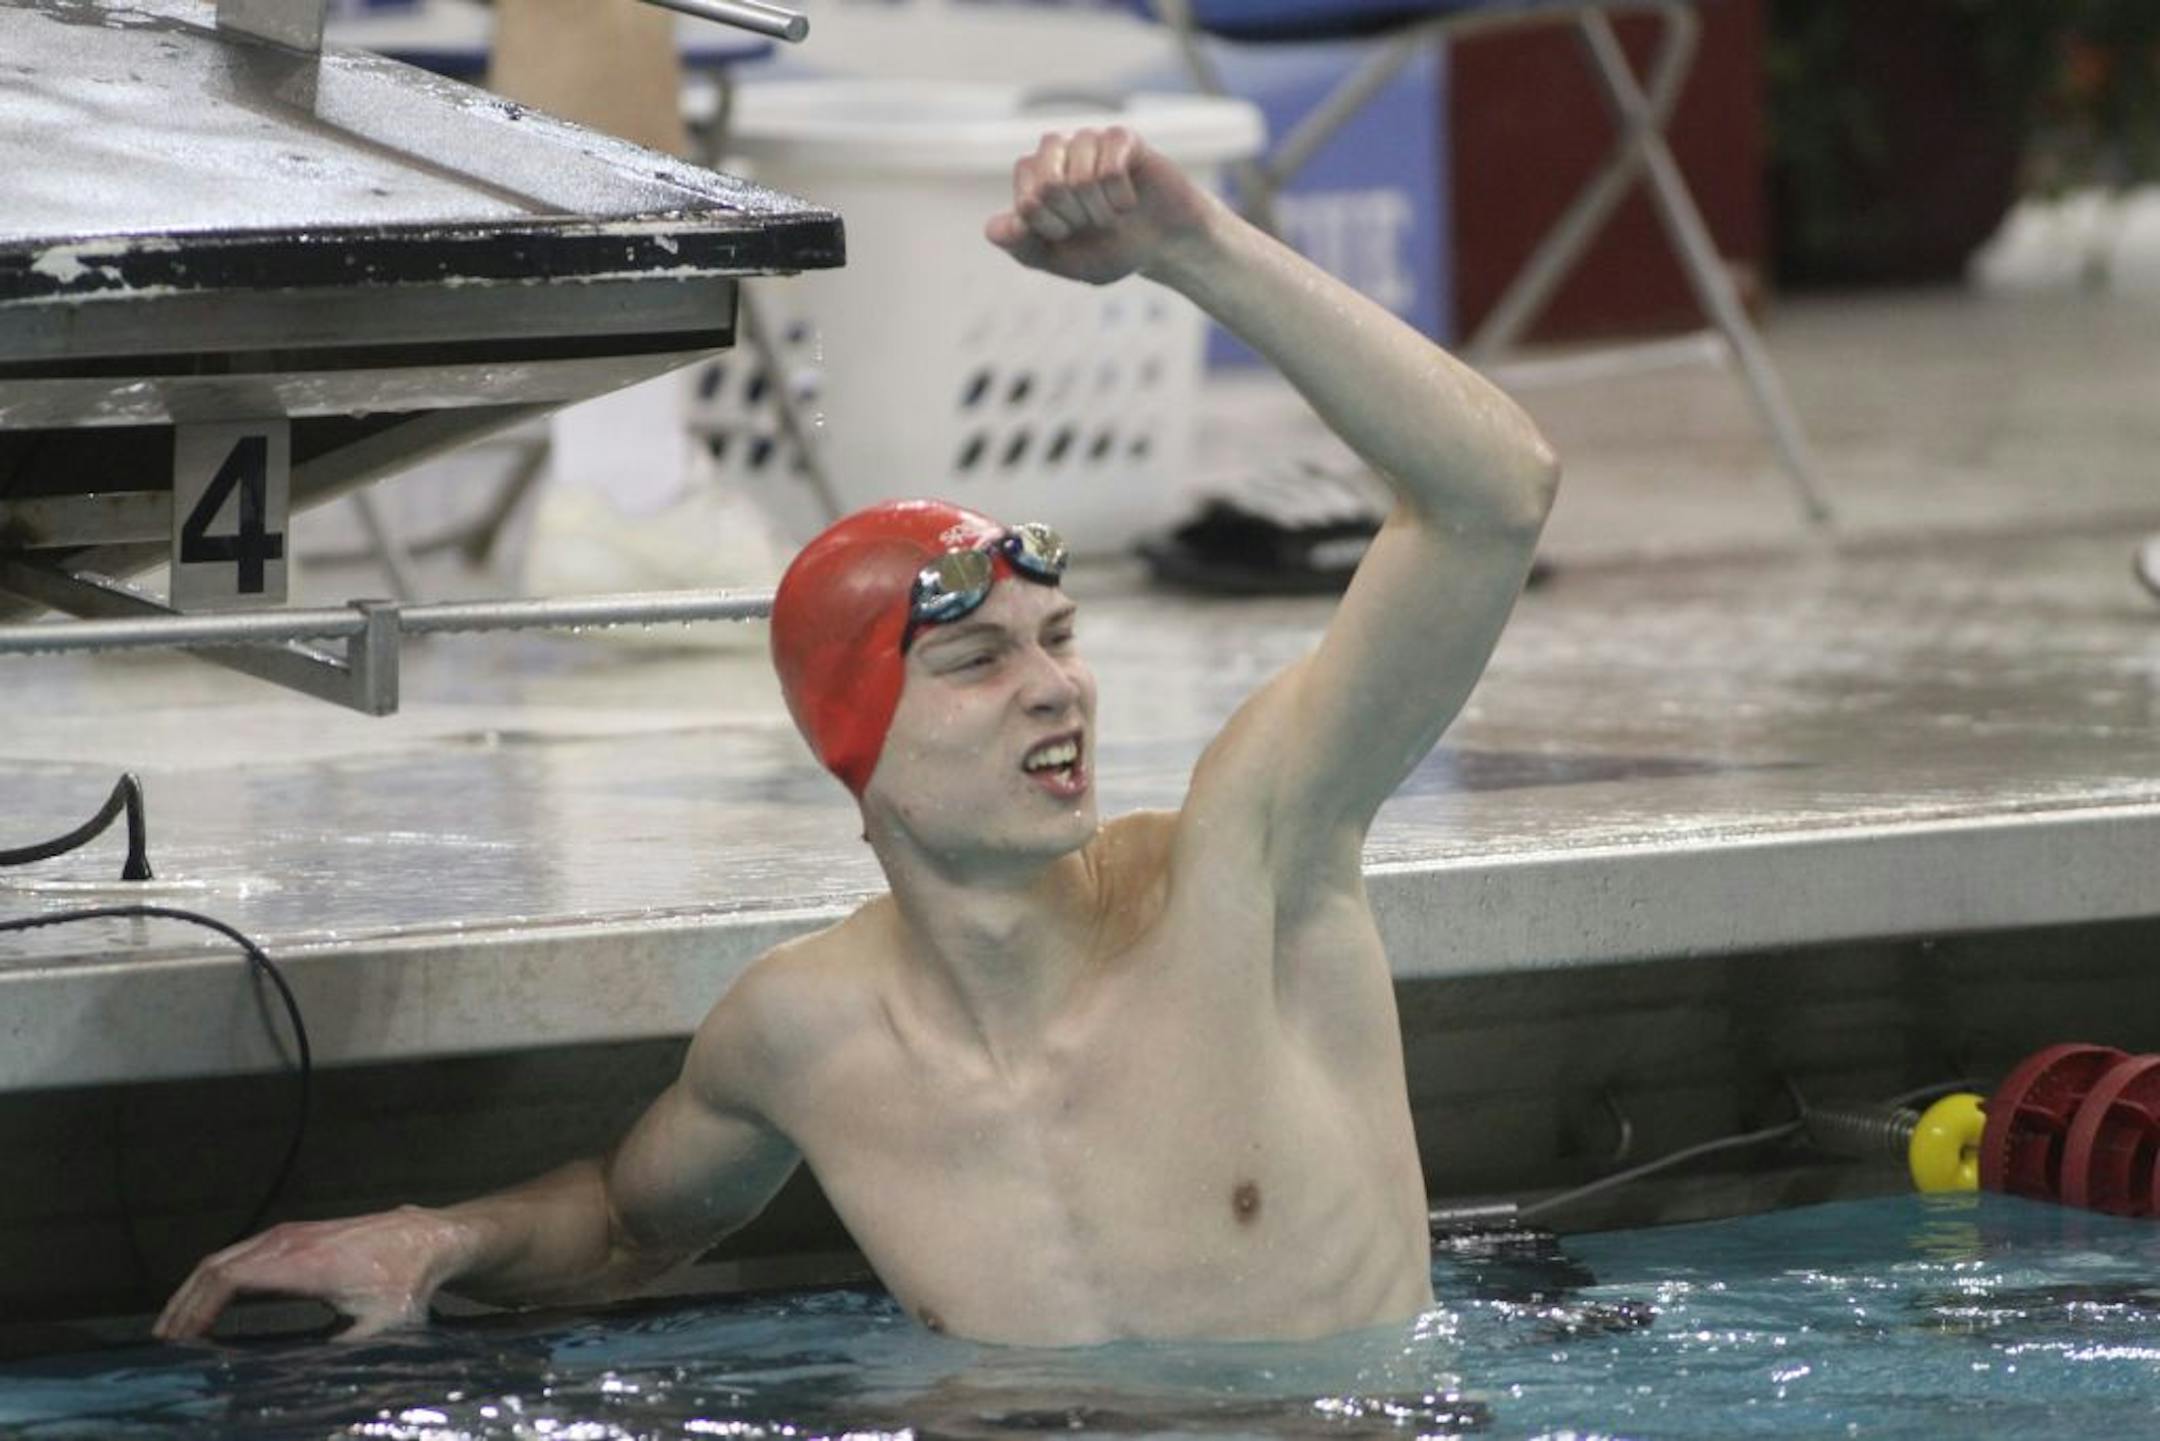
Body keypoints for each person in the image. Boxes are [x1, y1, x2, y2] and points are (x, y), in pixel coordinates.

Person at [155, 126, 1560, 1347]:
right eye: (978, 659)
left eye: (1061, 641)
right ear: (857, 747)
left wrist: (1197, 253)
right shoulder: (807, 1034)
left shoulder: (1249, 864)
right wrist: (432, 1235)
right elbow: (628, 1221)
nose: (1055, 688)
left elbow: (1492, 498)